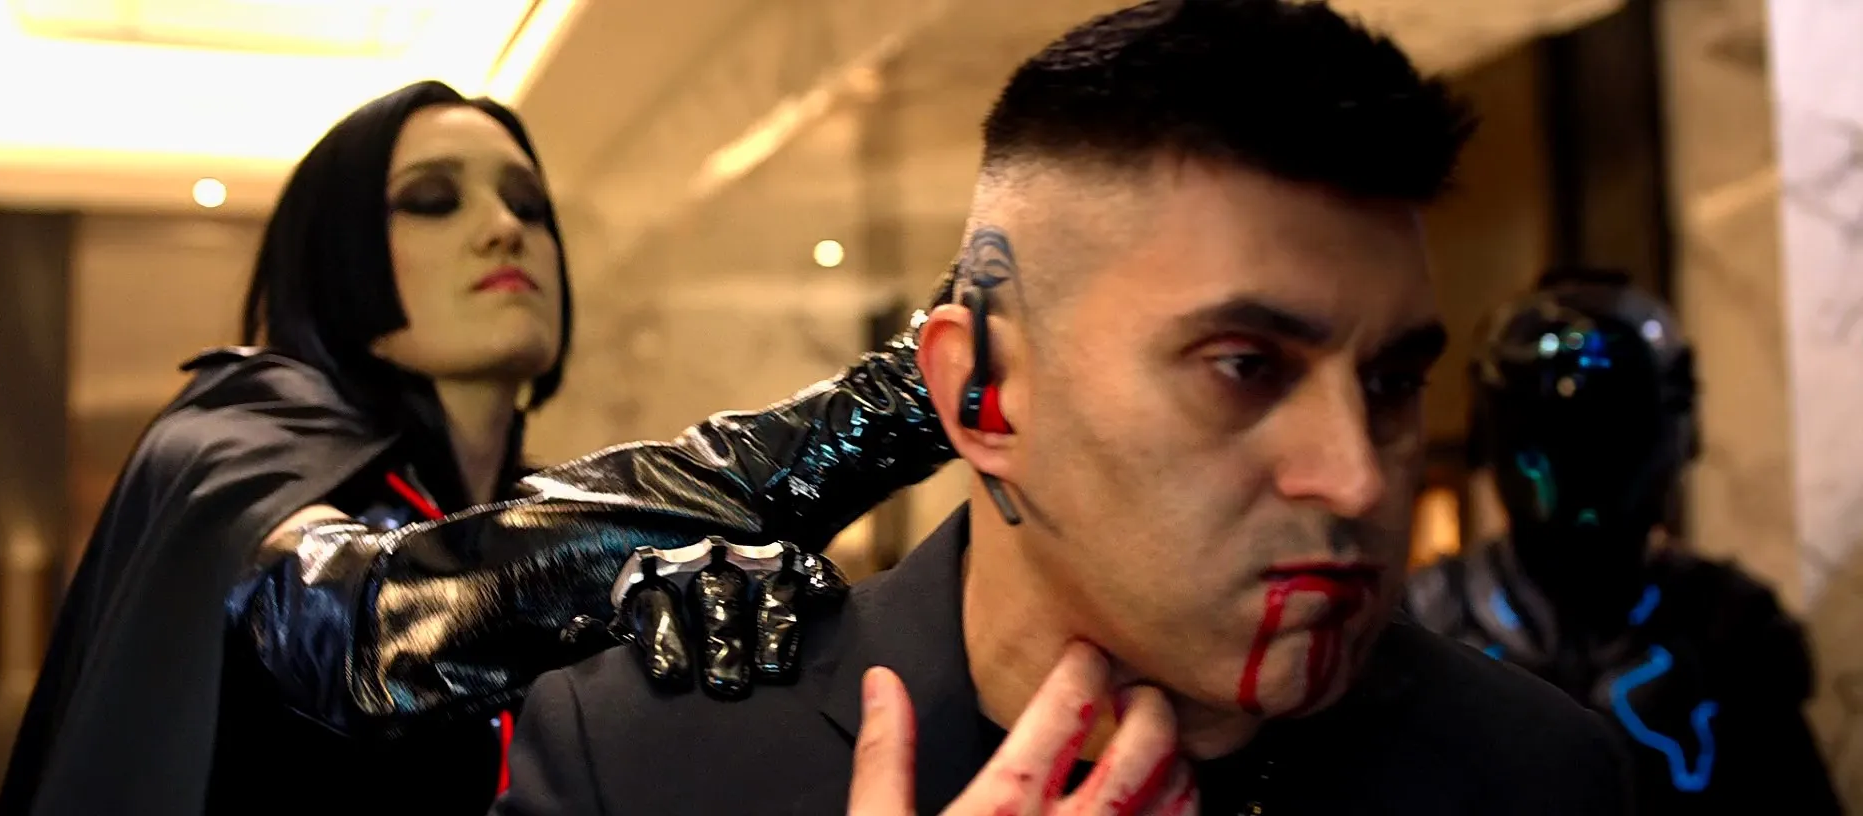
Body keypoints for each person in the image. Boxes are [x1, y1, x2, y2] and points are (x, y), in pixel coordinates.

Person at [491, 2, 1634, 813]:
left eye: (1391, 381)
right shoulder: (645, 763)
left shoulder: (1539, 774)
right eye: (1245, 366)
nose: (1359, 475)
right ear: (984, 396)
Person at [0, 81, 954, 816]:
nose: (504, 228)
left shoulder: (531, 513)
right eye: (431, 199)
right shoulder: (228, 431)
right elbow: (354, 620)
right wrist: (895, 402)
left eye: (528, 204)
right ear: (336, 250)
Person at [1405, 269, 1844, 814]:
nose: (1584, 471)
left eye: (1614, 435)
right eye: (1552, 435)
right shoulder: (1424, 622)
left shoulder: (1730, 629)